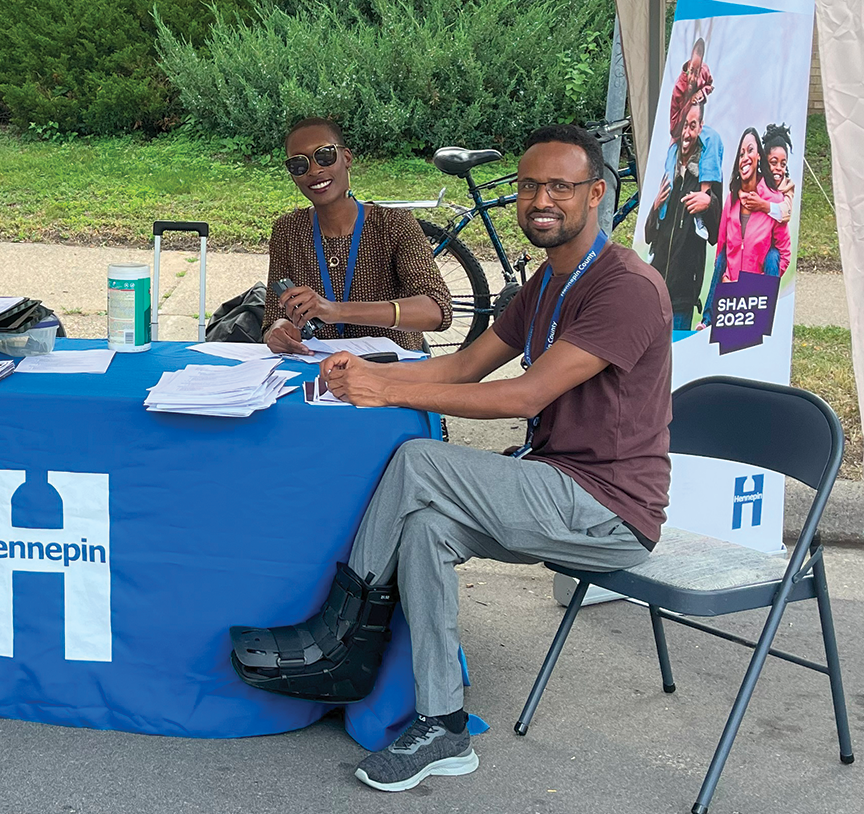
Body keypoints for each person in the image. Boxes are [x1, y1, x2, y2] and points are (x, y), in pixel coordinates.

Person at [228, 124, 672, 794]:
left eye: (560, 186)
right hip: (548, 484)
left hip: (606, 507)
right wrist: (366, 373)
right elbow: (466, 364)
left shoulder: (626, 287)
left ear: (597, 195)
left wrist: (384, 391)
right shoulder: (544, 284)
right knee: (426, 531)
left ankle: (340, 636)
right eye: (528, 186)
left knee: (419, 460)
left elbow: (526, 393)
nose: (540, 199)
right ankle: (443, 724)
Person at [263, 118, 452, 355]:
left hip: (393, 370)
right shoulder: (288, 231)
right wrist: (278, 332)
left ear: (347, 158)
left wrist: (337, 311)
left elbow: (437, 309)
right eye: (299, 164)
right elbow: (274, 317)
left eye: (324, 156)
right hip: (319, 371)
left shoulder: (393, 224)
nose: (314, 170)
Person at [647, 86, 722, 330]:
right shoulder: (669, 172)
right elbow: (650, 234)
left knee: (674, 358)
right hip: (655, 288)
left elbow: (715, 235)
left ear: (701, 128)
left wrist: (709, 203)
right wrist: (655, 207)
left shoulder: (706, 176)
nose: (687, 133)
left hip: (682, 294)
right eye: (684, 126)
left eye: (693, 126)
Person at [704, 128, 794, 323]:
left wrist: (763, 283)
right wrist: (725, 279)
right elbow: (722, 247)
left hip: (756, 295)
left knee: (773, 255)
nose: (778, 168)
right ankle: (707, 319)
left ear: (758, 158)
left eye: (750, 151)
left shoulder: (779, 197)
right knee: (726, 347)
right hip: (731, 290)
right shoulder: (731, 200)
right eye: (741, 153)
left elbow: (784, 253)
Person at [759, 124, 797, 277]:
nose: (779, 168)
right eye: (773, 163)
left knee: (773, 255)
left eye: (783, 164)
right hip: (750, 257)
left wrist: (763, 205)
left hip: (770, 260)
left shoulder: (786, 188)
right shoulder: (755, 185)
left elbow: (785, 214)